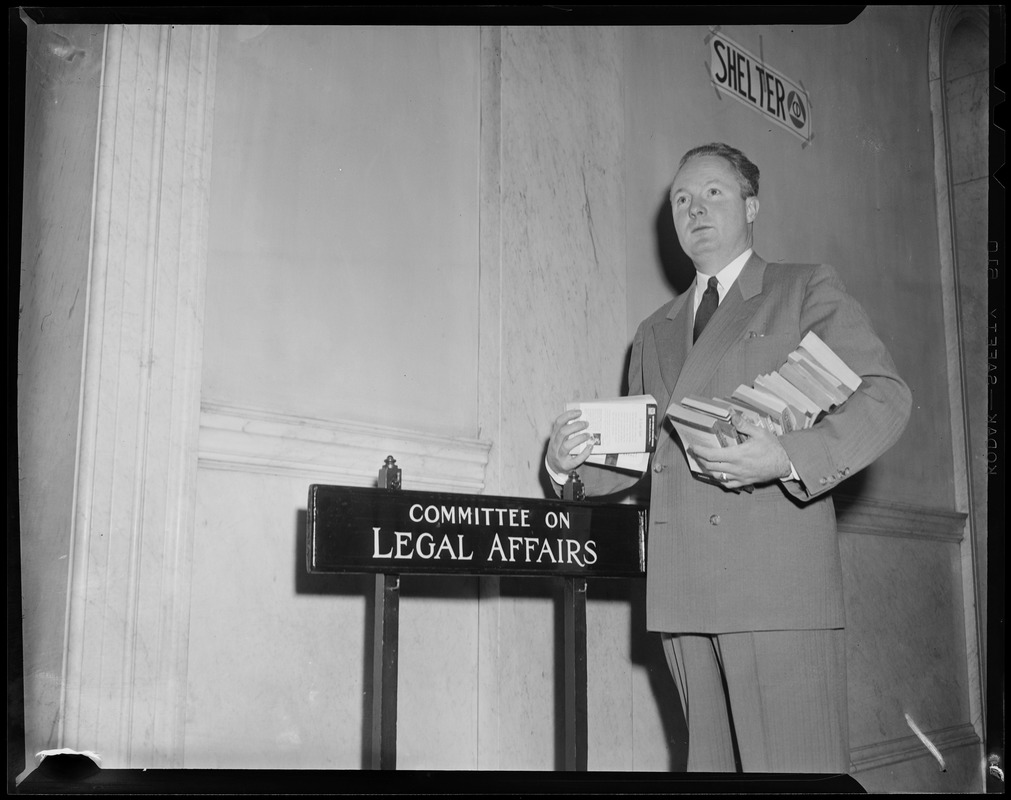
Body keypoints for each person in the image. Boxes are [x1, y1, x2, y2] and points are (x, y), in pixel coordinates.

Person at [545, 142, 911, 773]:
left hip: (775, 589)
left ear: (751, 204)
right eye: (681, 199)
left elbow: (886, 397)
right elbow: (641, 453)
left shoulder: (800, 288)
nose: (694, 208)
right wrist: (566, 464)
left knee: (795, 775)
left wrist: (787, 458)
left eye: (713, 192)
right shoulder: (654, 330)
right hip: (685, 590)